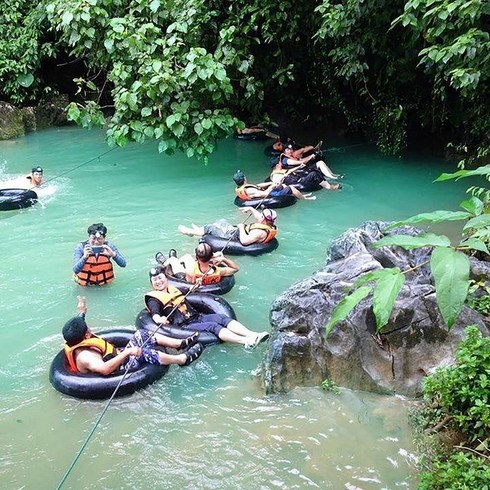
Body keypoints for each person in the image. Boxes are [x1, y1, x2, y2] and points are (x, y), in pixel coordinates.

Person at [62, 296, 203, 375]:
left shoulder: (76, 338)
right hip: (117, 371)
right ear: (86, 335)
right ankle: (181, 359)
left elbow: (78, 327)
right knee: (142, 353)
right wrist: (128, 352)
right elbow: (104, 369)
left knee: (140, 334)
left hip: (118, 357)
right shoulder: (85, 356)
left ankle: (178, 344)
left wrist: (82, 312)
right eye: (88, 329)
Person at [145, 267, 269, 348]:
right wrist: (159, 319)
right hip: (184, 326)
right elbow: (155, 314)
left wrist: (196, 285)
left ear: (166, 278)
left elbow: (190, 289)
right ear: (152, 284)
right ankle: (246, 342)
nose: (158, 281)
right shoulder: (153, 298)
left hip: (196, 317)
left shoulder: (172, 288)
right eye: (155, 280)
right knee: (213, 326)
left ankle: (252, 334)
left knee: (221, 318)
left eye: (160, 277)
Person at [178, 207, 278, 246]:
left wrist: (242, 227)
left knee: (211, 228)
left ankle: (189, 232)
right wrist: (251, 209)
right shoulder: (269, 225)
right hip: (235, 232)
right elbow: (258, 216)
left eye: (261, 215)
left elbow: (244, 241)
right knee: (222, 221)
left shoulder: (259, 232)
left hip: (233, 237)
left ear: (264, 219)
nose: (259, 215)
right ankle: (199, 231)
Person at [157, 242, 239, 285]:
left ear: (196, 258)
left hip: (184, 278)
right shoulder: (220, 271)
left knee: (174, 261)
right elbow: (235, 269)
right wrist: (223, 259)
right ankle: (174, 259)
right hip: (204, 273)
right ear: (211, 257)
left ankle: (167, 261)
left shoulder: (190, 270)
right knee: (187, 256)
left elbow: (188, 283)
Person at [233, 170, 316, 201]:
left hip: (264, 192)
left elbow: (257, 185)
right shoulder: (250, 190)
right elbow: (265, 194)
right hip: (269, 196)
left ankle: (301, 195)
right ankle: (304, 199)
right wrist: (271, 187)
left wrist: (270, 183)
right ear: (244, 179)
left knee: (282, 185)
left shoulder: (242, 187)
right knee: (290, 188)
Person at [270, 161, 341, 191]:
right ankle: (330, 187)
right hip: (298, 182)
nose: (281, 164)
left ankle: (328, 180)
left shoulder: (281, 170)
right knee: (314, 174)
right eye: (279, 163)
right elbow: (278, 183)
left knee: (316, 171)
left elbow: (289, 171)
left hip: (300, 179)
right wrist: (285, 175)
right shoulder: (275, 175)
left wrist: (299, 167)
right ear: (277, 165)